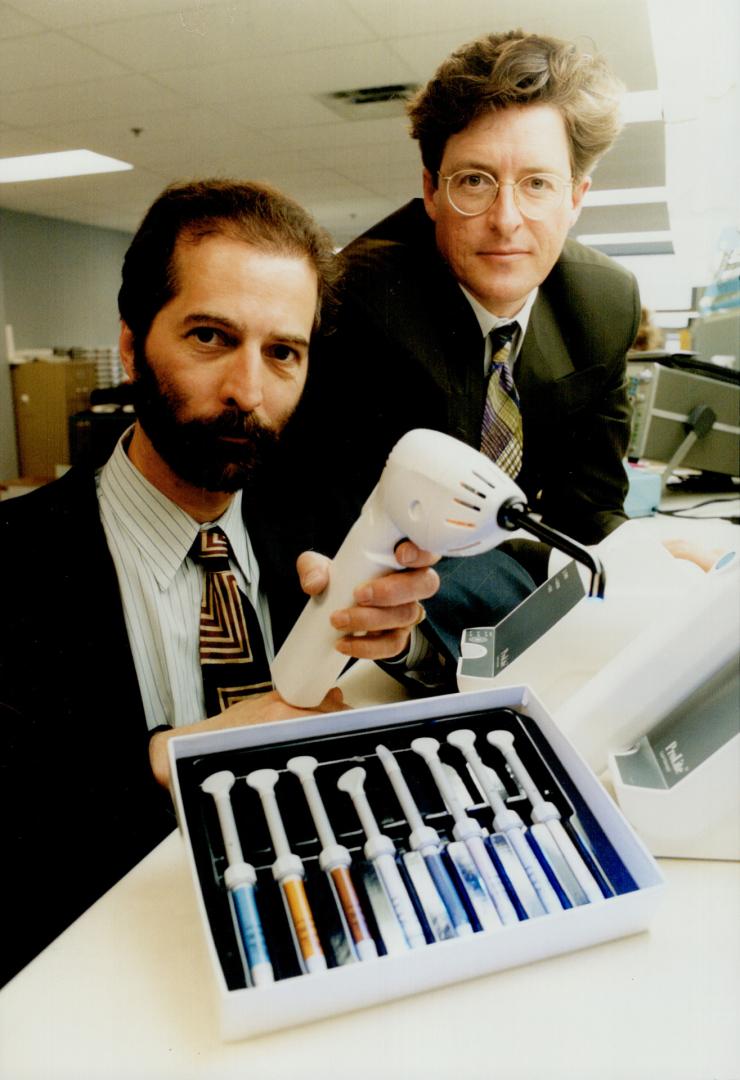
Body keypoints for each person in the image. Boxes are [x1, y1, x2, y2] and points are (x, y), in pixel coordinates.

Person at [0, 179, 439, 984]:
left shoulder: (326, 524)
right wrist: (173, 757)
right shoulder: (10, 564)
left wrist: (394, 642)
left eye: (283, 353)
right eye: (210, 338)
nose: (249, 392)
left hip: (314, 938)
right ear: (132, 345)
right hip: (100, 971)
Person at [310, 29, 640, 590]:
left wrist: (650, 563)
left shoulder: (604, 304)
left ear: (576, 198)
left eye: (537, 183)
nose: (506, 218)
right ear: (432, 192)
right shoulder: (355, 300)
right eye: (474, 180)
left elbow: (592, 511)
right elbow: (354, 535)